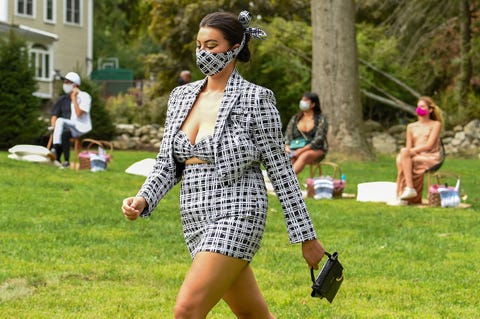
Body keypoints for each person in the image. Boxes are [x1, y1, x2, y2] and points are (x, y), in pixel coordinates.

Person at [121, 11, 325, 318]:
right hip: (194, 217)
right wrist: (143, 198)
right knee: (253, 315)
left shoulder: (256, 99)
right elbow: (166, 163)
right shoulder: (180, 97)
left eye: (212, 45)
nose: (203, 53)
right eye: (199, 45)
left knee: (186, 311)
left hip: (239, 212)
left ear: (235, 47)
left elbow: (281, 172)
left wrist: (306, 237)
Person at [394, 96, 443, 205]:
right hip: (415, 154)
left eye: (422, 106)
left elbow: (429, 145)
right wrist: (408, 152)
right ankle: (405, 194)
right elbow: (408, 147)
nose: (419, 108)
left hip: (431, 156)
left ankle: (408, 191)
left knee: (406, 158)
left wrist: (409, 152)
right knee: (401, 159)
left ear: (430, 110)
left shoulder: (435, 124)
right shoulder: (411, 126)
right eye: (418, 106)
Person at [50, 72, 92, 167]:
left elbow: (79, 114)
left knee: (62, 126)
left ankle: (56, 151)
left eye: (67, 82)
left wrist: (73, 97)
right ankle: (61, 158)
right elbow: (54, 115)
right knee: (61, 129)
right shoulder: (62, 99)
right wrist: (53, 127)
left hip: (80, 126)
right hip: (68, 126)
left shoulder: (84, 96)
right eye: (64, 82)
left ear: (75, 85)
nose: (65, 84)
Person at [284, 92, 329, 175]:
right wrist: (287, 147)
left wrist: (301, 150)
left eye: (306, 100)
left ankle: (287, 180)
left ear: (313, 104)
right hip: (295, 148)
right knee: (288, 158)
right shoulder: (296, 118)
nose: (302, 102)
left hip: (315, 149)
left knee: (304, 155)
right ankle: (283, 182)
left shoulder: (321, 119)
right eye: (302, 100)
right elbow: (288, 135)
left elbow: (319, 139)